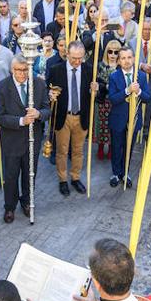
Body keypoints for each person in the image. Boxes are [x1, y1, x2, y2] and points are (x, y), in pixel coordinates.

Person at [0, 57, 46, 223]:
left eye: (25, 70)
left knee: (30, 174)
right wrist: (21, 121)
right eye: (18, 70)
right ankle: (9, 207)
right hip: (11, 140)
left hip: (32, 140)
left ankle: (27, 201)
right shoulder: (1, 87)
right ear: (12, 70)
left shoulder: (38, 84)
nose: (22, 74)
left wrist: (39, 114)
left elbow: (47, 109)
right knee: (11, 176)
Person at [46, 42, 95, 196]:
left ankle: (75, 178)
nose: (77, 61)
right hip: (63, 116)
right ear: (67, 54)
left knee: (78, 150)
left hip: (81, 116)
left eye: (80, 58)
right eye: (74, 58)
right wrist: (50, 95)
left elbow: (98, 93)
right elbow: (48, 89)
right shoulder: (56, 70)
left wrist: (97, 89)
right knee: (61, 151)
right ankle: (62, 180)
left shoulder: (88, 69)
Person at [107, 47, 151, 189]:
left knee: (129, 146)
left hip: (134, 119)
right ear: (119, 61)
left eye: (129, 57)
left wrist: (139, 90)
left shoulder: (140, 76)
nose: (126, 61)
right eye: (123, 58)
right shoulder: (114, 76)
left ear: (134, 59)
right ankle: (116, 173)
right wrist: (127, 91)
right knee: (117, 147)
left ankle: (125, 172)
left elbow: (148, 98)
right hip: (118, 119)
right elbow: (113, 99)